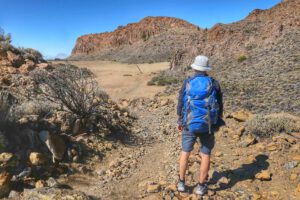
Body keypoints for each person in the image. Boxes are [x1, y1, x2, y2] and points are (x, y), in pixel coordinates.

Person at [176, 55, 223, 195]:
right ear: (206, 69)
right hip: (207, 125)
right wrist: (217, 122)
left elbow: (180, 104)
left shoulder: (188, 82)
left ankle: (181, 183)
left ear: (195, 68)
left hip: (189, 124)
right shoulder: (214, 83)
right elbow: (220, 105)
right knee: (205, 154)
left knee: (185, 152)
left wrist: (180, 121)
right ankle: (201, 186)